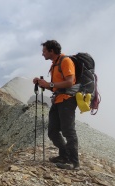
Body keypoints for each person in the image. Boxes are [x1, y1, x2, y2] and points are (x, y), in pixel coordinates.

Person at [33, 40, 79, 170]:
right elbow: (56, 87)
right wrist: (43, 84)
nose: (42, 54)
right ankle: (64, 156)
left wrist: (50, 84)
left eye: (44, 51)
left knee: (68, 131)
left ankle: (74, 162)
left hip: (67, 100)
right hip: (58, 100)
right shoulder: (55, 64)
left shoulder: (65, 61)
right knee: (53, 131)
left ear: (51, 51)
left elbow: (70, 82)